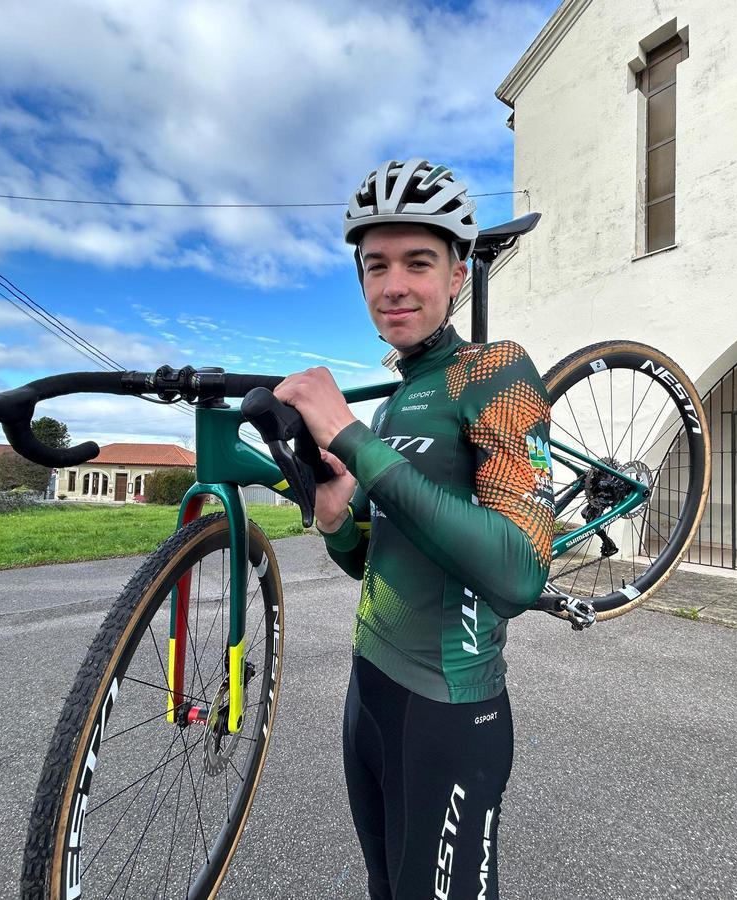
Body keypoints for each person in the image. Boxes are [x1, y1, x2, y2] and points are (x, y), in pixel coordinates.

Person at [274, 158, 554, 900]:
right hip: (368, 693)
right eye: (376, 265)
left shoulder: (495, 371)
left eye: (417, 262)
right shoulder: (400, 402)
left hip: (451, 713)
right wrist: (338, 526)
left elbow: (520, 573)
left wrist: (349, 437)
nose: (393, 284)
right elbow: (386, 561)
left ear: (457, 274)